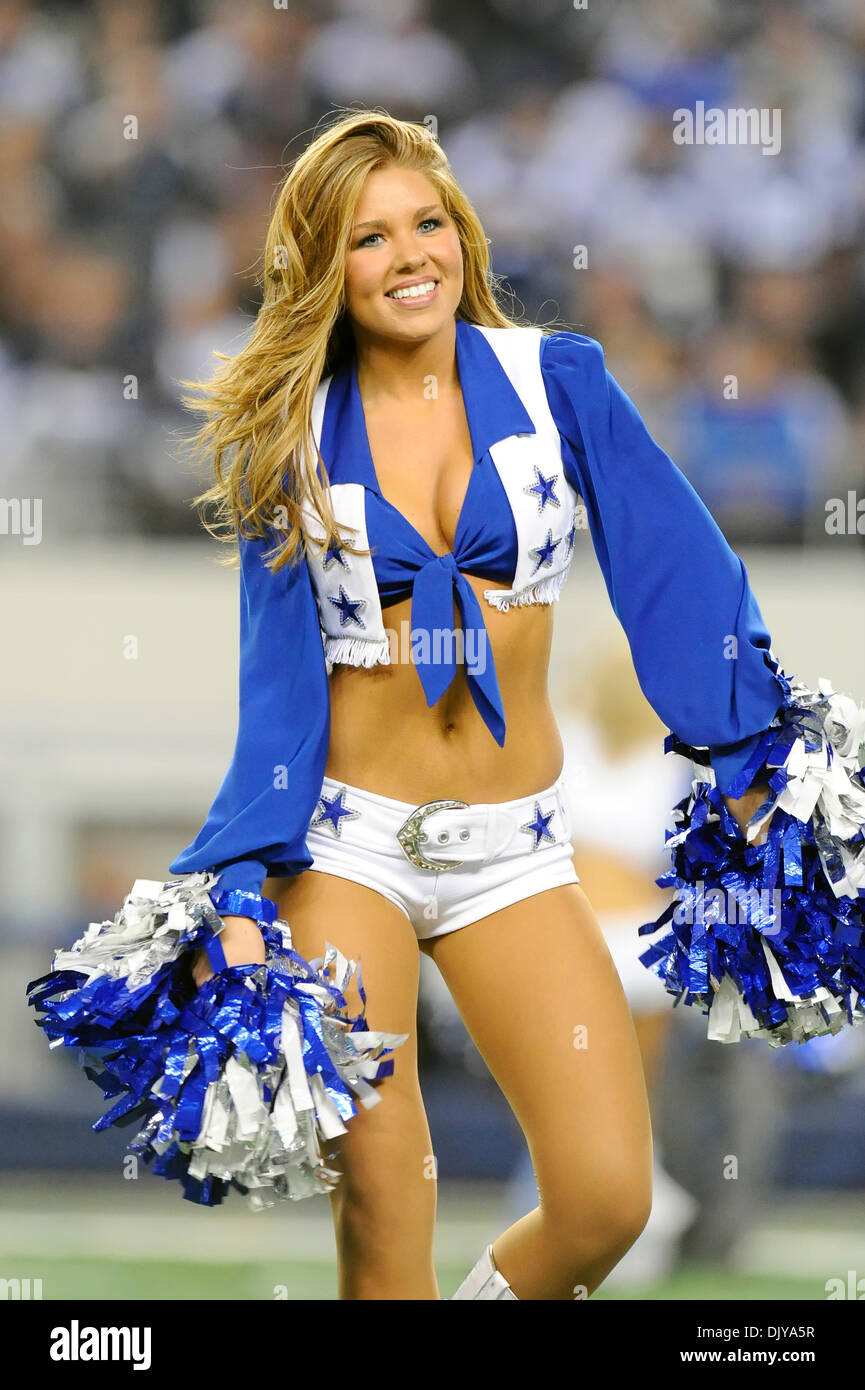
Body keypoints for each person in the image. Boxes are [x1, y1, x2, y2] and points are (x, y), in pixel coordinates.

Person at [31, 108, 865, 1300]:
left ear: (463, 237)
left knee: (604, 1202)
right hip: (345, 846)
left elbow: (676, 572)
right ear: (325, 266)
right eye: (370, 239)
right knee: (383, 1212)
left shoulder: (555, 380)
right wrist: (235, 875)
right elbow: (277, 680)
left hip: (515, 853)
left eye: (429, 224)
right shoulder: (293, 435)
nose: (411, 254)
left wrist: (747, 757)